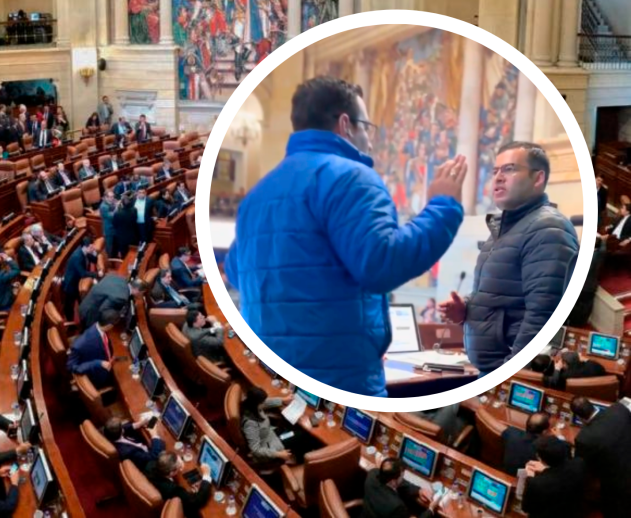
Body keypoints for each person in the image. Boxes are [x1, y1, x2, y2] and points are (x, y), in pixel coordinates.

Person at [225, 77, 467, 397]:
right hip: (339, 377)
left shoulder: (258, 194)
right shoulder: (351, 177)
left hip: (268, 374)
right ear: (346, 125)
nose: (368, 138)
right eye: (366, 125)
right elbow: (382, 264)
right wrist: (443, 206)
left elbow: (235, 270)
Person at [439, 142, 579, 377]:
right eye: (495, 171)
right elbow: (502, 296)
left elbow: (542, 316)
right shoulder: (505, 229)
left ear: (538, 178)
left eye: (509, 169)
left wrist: (510, 373)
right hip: (490, 370)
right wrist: (467, 308)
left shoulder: (547, 228)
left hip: (506, 374)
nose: (498, 178)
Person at [573, 397, 631, 518]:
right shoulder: (619, 408)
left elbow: (581, 465)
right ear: (592, 405)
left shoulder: (584, 438)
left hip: (618, 481)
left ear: (579, 418)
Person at [521, 436, 586, 518]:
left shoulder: (535, 483)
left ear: (539, 458)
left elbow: (526, 508)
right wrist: (546, 468)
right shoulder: (579, 464)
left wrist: (529, 476)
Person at [360, 457, 443, 518]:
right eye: (402, 476)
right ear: (393, 481)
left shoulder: (373, 474)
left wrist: (419, 490)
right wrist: (431, 509)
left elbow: (401, 483)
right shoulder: (397, 507)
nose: (403, 478)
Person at [146, 451, 212, 517]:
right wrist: (206, 476)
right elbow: (196, 502)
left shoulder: (150, 465)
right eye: (179, 467)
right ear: (171, 473)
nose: (181, 469)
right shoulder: (172, 489)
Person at [66, 308, 119, 387]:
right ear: (109, 326)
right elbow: (71, 367)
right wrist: (98, 363)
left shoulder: (97, 326)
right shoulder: (79, 345)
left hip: (108, 362)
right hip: (96, 376)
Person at [501, 411, 559, 476]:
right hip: (524, 483)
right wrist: (558, 438)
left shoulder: (511, 433)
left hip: (506, 475)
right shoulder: (545, 451)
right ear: (544, 432)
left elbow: (503, 429)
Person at [79, 276, 144, 331]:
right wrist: (117, 316)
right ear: (137, 290)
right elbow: (103, 310)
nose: (141, 296)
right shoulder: (122, 296)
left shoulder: (117, 278)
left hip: (85, 304)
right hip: (89, 316)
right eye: (142, 293)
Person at [61, 237, 100, 321]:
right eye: (91, 247)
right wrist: (96, 274)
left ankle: (84, 317)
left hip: (78, 281)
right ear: (84, 247)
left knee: (82, 300)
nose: (93, 248)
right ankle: (70, 322)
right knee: (69, 305)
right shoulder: (77, 257)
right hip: (71, 284)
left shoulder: (84, 251)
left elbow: (94, 259)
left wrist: (95, 254)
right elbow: (83, 273)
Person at [542, 351, 606, 390]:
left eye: (562, 362)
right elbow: (602, 369)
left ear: (566, 364)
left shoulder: (564, 376)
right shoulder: (594, 366)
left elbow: (554, 382)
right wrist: (585, 359)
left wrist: (557, 369)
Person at [99, 190, 118, 258]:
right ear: (106, 197)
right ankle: (109, 262)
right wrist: (116, 207)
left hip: (114, 228)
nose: (112, 198)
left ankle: (114, 258)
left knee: (115, 247)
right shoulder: (103, 206)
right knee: (109, 248)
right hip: (109, 230)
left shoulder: (111, 203)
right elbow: (111, 217)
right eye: (110, 197)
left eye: (113, 197)